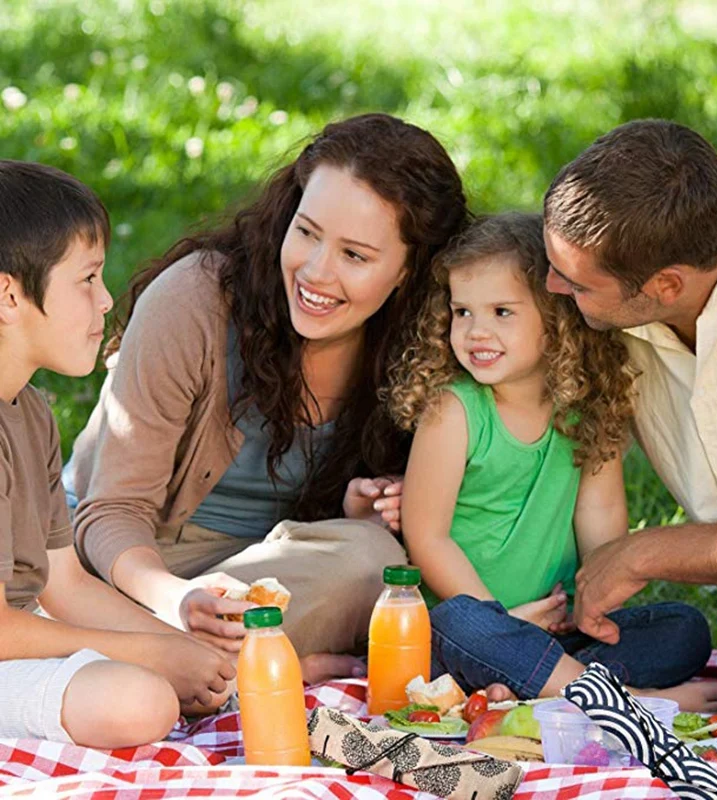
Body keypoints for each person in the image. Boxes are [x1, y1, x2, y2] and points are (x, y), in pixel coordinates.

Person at [64, 113, 469, 683]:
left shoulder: (427, 347)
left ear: (410, 270)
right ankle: (252, 665)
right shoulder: (195, 302)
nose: (316, 272)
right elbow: (110, 512)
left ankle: (182, 663)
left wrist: (359, 510)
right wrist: (175, 599)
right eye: (306, 232)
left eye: (355, 255)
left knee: (372, 559)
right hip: (132, 563)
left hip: (267, 577)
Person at [389, 212, 714, 709]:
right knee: (459, 624)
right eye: (462, 312)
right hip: (471, 631)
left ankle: (546, 686)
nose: (476, 330)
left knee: (684, 629)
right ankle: (625, 700)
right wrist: (500, 618)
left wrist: (595, 605)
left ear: (556, 319)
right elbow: (426, 536)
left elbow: (600, 516)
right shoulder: (453, 410)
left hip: (556, 630)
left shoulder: (587, 408)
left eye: (501, 312)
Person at [543, 118, 717, 712]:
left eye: (577, 283)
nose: (552, 286)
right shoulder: (630, 299)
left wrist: (643, 552)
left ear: (665, 284)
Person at [0, 161, 236, 747]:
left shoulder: (29, 413)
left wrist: (178, 646)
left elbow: (65, 583)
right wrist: (150, 655)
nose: (106, 300)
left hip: (22, 637)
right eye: (87, 279)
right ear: (8, 294)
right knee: (139, 699)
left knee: (180, 672)